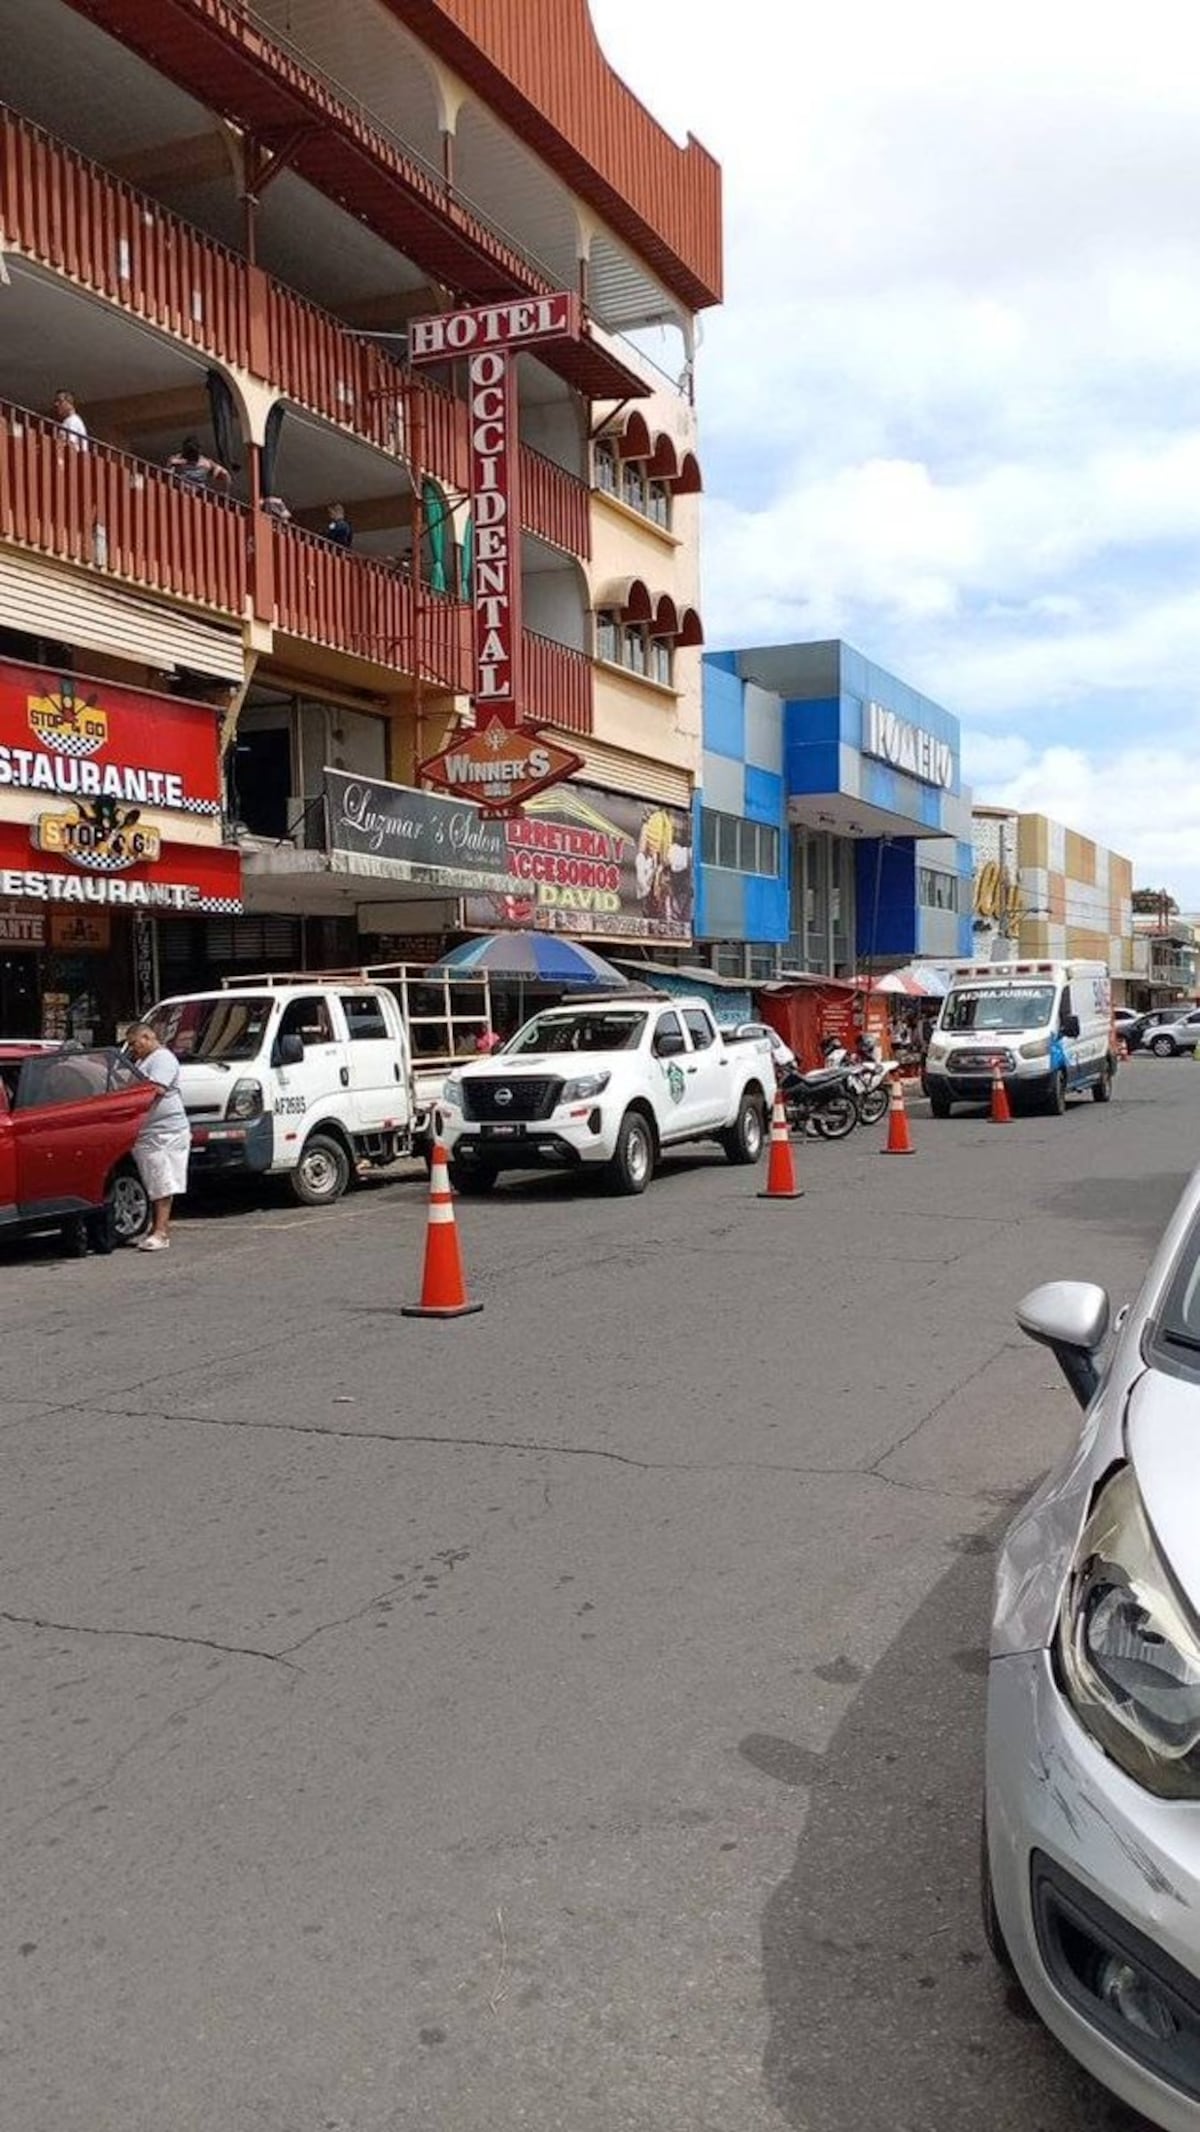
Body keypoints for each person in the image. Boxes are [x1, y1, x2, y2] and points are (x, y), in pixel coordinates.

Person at [124, 1022, 191, 1252]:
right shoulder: (142, 1061)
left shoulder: (163, 1058)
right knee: (153, 1181)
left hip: (165, 1132)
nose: (132, 1048)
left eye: (134, 1043)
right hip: (147, 1132)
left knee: (162, 1180)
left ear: (147, 1037)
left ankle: (161, 1232)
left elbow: (156, 1090)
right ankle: (153, 1228)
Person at [166, 435, 230, 491]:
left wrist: (214, 476)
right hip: (181, 488)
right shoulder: (176, 459)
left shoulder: (206, 463)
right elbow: (169, 470)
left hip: (198, 490)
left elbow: (225, 474)